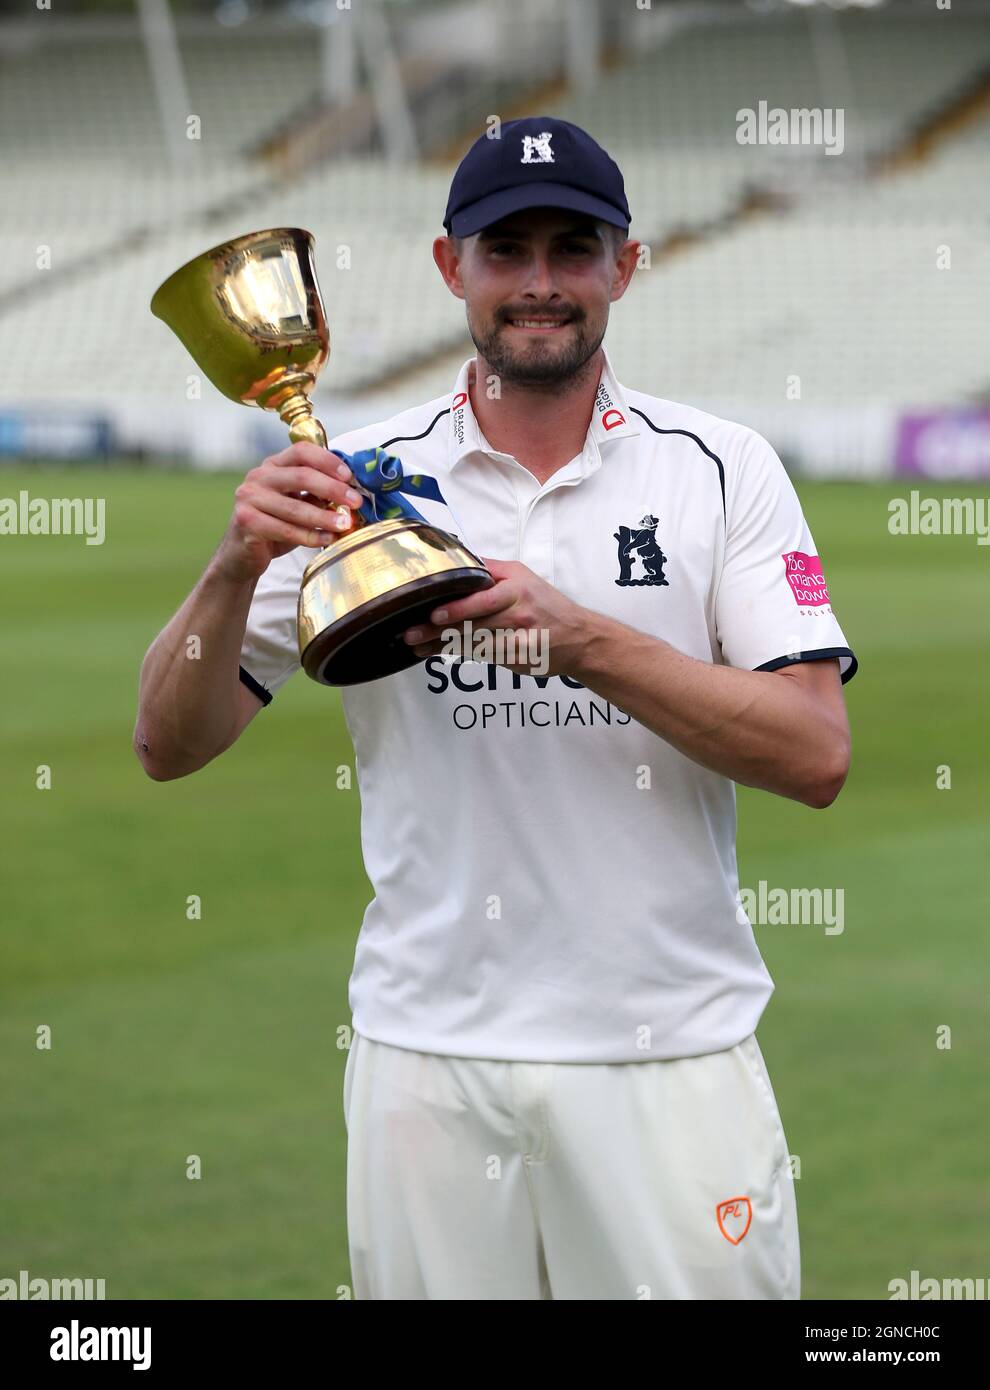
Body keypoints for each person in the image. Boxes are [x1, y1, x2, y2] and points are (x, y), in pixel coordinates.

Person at [134, 116, 857, 1300]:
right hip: (428, 1058)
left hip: (665, 1054)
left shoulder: (720, 467)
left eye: (573, 248)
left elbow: (816, 752)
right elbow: (167, 742)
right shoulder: (353, 480)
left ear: (626, 265)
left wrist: (581, 639)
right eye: (503, 248)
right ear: (449, 268)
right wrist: (231, 564)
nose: (538, 283)